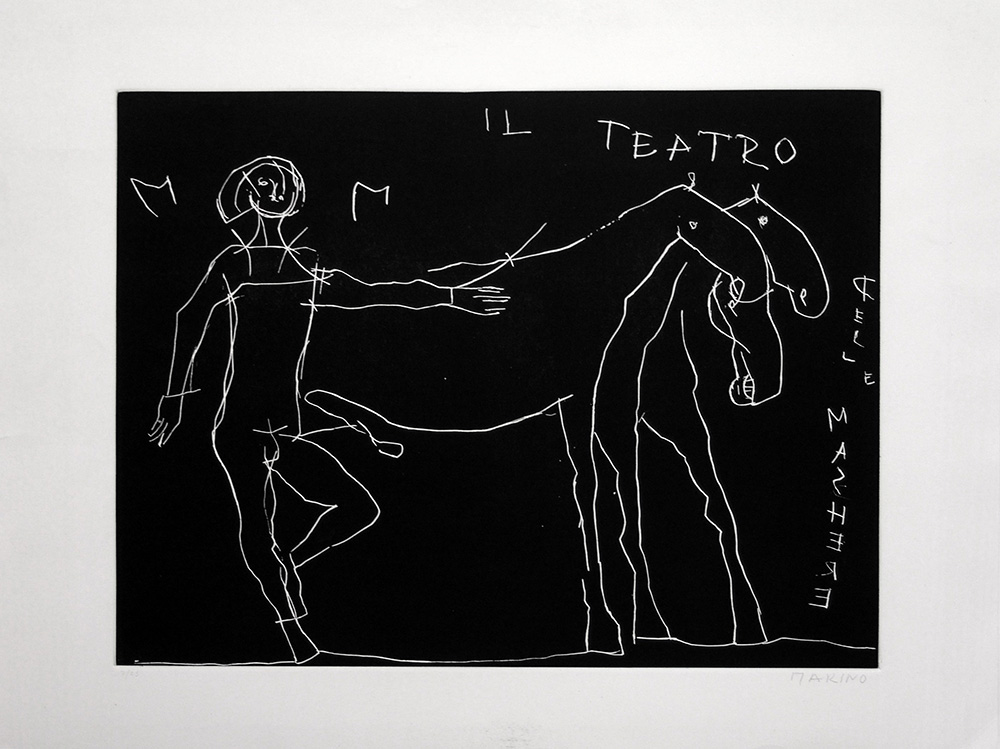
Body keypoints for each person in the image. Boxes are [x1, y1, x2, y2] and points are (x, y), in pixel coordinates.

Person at [148, 156, 507, 662]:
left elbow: (376, 293)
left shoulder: (308, 263)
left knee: (359, 509)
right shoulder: (234, 264)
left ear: (295, 197)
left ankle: (282, 567)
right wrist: (174, 398)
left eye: (284, 183)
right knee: (259, 528)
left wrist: (449, 295)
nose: (276, 191)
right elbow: (188, 318)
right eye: (265, 183)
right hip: (239, 425)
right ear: (246, 194)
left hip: (287, 422)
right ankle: (296, 638)